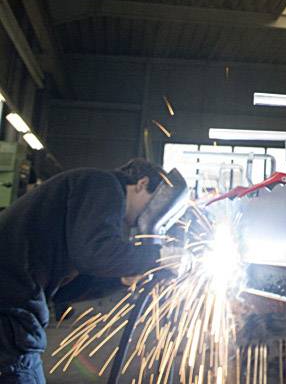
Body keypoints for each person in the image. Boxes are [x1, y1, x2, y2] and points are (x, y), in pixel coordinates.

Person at [0, 159, 170, 384]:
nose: (152, 213)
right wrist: (159, 255)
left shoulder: (87, 199)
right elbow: (94, 254)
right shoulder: (104, 184)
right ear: (141, 183)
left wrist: (120, 279)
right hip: (8, 313)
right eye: (154, 201)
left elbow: (64, 292)